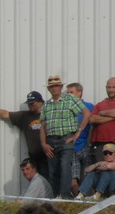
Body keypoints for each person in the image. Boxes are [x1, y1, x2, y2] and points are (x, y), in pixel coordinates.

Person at [38, 74, 89, 205]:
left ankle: (65, 195)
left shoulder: (70, 99)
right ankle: (56, 196)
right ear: (49, 89)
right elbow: (43, 126)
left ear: (60, 87)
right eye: (52, 87)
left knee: (65, 166)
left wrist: (78, 132)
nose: (54, 89)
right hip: (51, 140)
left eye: (56, 86)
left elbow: (86, 113)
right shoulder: (46, 105)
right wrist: (43, 143)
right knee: (53, 170)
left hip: (66, 138)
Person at [0, 91, 46, 175]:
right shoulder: (25, 116)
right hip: (34, 157)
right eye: (29, 104)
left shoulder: (48, 115)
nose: (30, 106)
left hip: (47, 155)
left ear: (41, 102)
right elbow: (5, 114)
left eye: (32, 103)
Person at [66, 83, 95, 195]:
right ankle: (78, 199)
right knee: (74, 178)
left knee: (88, 175)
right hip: (72, 147)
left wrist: (90, 141)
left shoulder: (89, 106)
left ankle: (88, 199)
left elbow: (93, 124)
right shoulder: (66, 108)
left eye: (71, 92)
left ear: (79, 93)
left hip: (85, 145)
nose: (68, 95)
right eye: (67, 93)